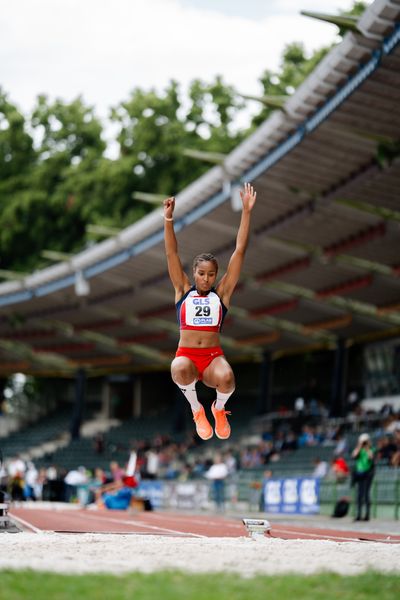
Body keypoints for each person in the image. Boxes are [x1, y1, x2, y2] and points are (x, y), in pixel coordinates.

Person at [163, 182, 257, 441]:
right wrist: (168, 219)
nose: (206, 279)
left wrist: (246, 212)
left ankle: (218, 408)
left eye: (211, 274)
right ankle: (197, 410)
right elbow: (172, 252)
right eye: (201, 273)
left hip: (213, 357)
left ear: (217, 276)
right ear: (194, 273)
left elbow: (239, 251)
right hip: (188, 356)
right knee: (178, 367)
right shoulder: (183, 290)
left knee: (228, 378)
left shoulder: (222, 294)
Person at [351, 433, 376, 521]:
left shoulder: (371, 449)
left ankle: (367, 515)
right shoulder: (359, 449)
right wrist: (359, 445)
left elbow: (371, 456)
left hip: (368, 473)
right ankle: (358, 515)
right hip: (359, 473)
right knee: (359, 494)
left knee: (366, 494)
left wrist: (367, 447)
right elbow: (354, 455)